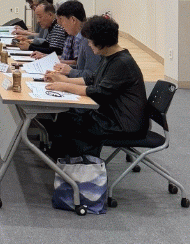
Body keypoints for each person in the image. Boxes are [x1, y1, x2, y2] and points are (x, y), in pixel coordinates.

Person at [43, 15, 149, 158]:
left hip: (124, 123)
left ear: (101, 41)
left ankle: (73, 161)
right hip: (113, 117)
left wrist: (65, 86)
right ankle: (64, 158)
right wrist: (63, 80)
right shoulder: (110, 57)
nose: (89, 44)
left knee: (68, 122)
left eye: (90, 41)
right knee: (65, 118)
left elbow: (98, 92)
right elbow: (92, 79)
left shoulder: (121, 63)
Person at [46, 0, 102, 79]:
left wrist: (70, 71)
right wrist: (62, 69)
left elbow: (92, 75)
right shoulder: (81, 37)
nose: (61, 25)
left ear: (73, 20)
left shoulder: (88, 40)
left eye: (62, 19)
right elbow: (81, 68)